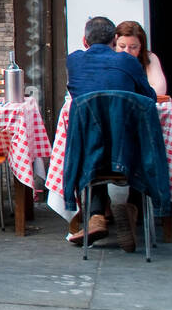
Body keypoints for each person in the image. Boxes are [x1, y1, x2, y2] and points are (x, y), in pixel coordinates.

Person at [65, 15, 156, 249]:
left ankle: (96, 215)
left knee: (94, 139)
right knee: (139, 139)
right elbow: (150, 98)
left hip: (91, 158)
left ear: (84, 41)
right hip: (129, 156)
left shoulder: (73, 61)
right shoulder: (128, 62)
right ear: (115, 40)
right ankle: (132, 207)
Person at [114, 20, 167, 97]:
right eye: (122, 46)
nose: (127, 51)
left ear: (141, 47)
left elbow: (160, 90)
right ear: (114, 44)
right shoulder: (107, 56)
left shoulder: (149, 57)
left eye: (133, 47)